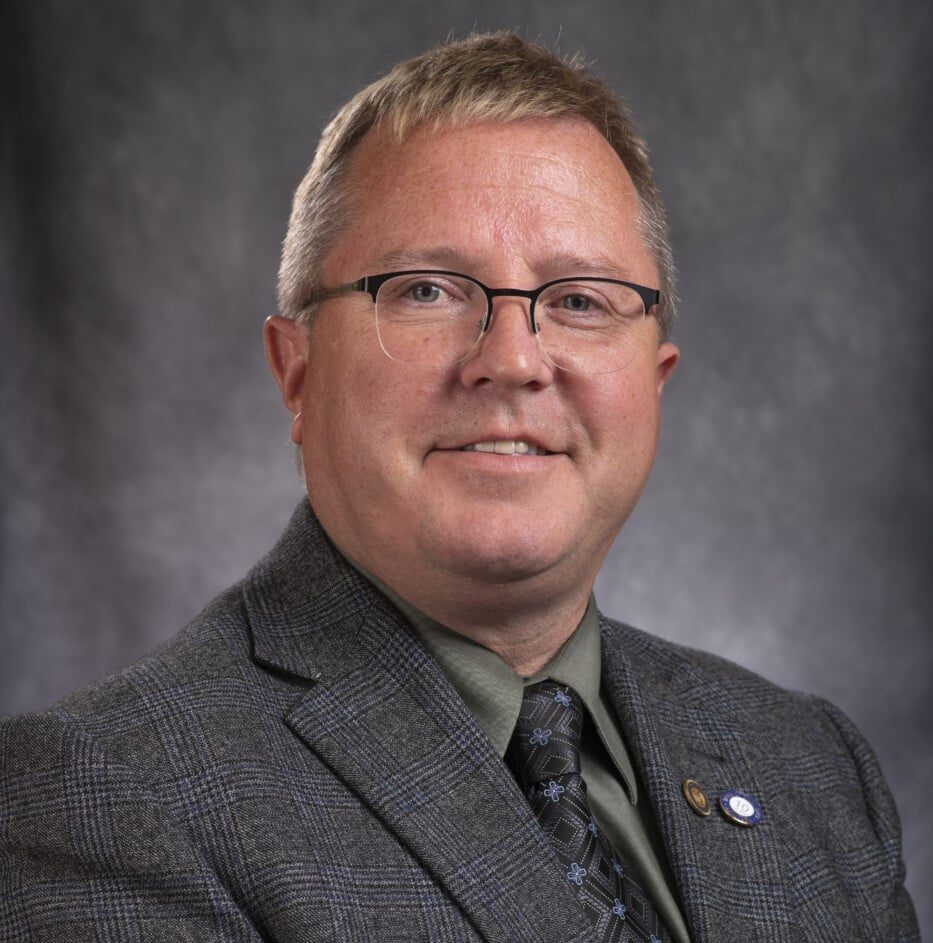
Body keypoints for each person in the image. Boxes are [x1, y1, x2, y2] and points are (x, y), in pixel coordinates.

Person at [0, 32, 918, 943]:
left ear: (654, 383)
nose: (512, 360)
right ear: (298, 373)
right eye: (427, 291)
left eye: (579, 300)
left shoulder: (811, 767)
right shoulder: (105, 794)